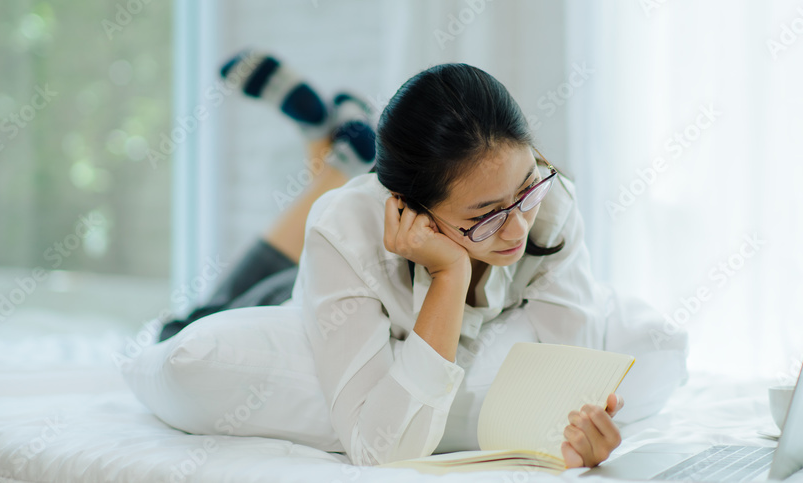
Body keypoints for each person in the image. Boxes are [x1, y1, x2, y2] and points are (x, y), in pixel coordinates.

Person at [157, 54, 689, 469]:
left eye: (525, 189)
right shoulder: (345, 230)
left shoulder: (548, 201)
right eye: (484, 216)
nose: (519, 227)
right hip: (297, 295)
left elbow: (569, 376)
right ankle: (328, 158)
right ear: (412, 211)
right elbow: (381, 449)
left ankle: (329, 151)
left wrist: (580, 437)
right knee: (186, 324)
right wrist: (450, 274)